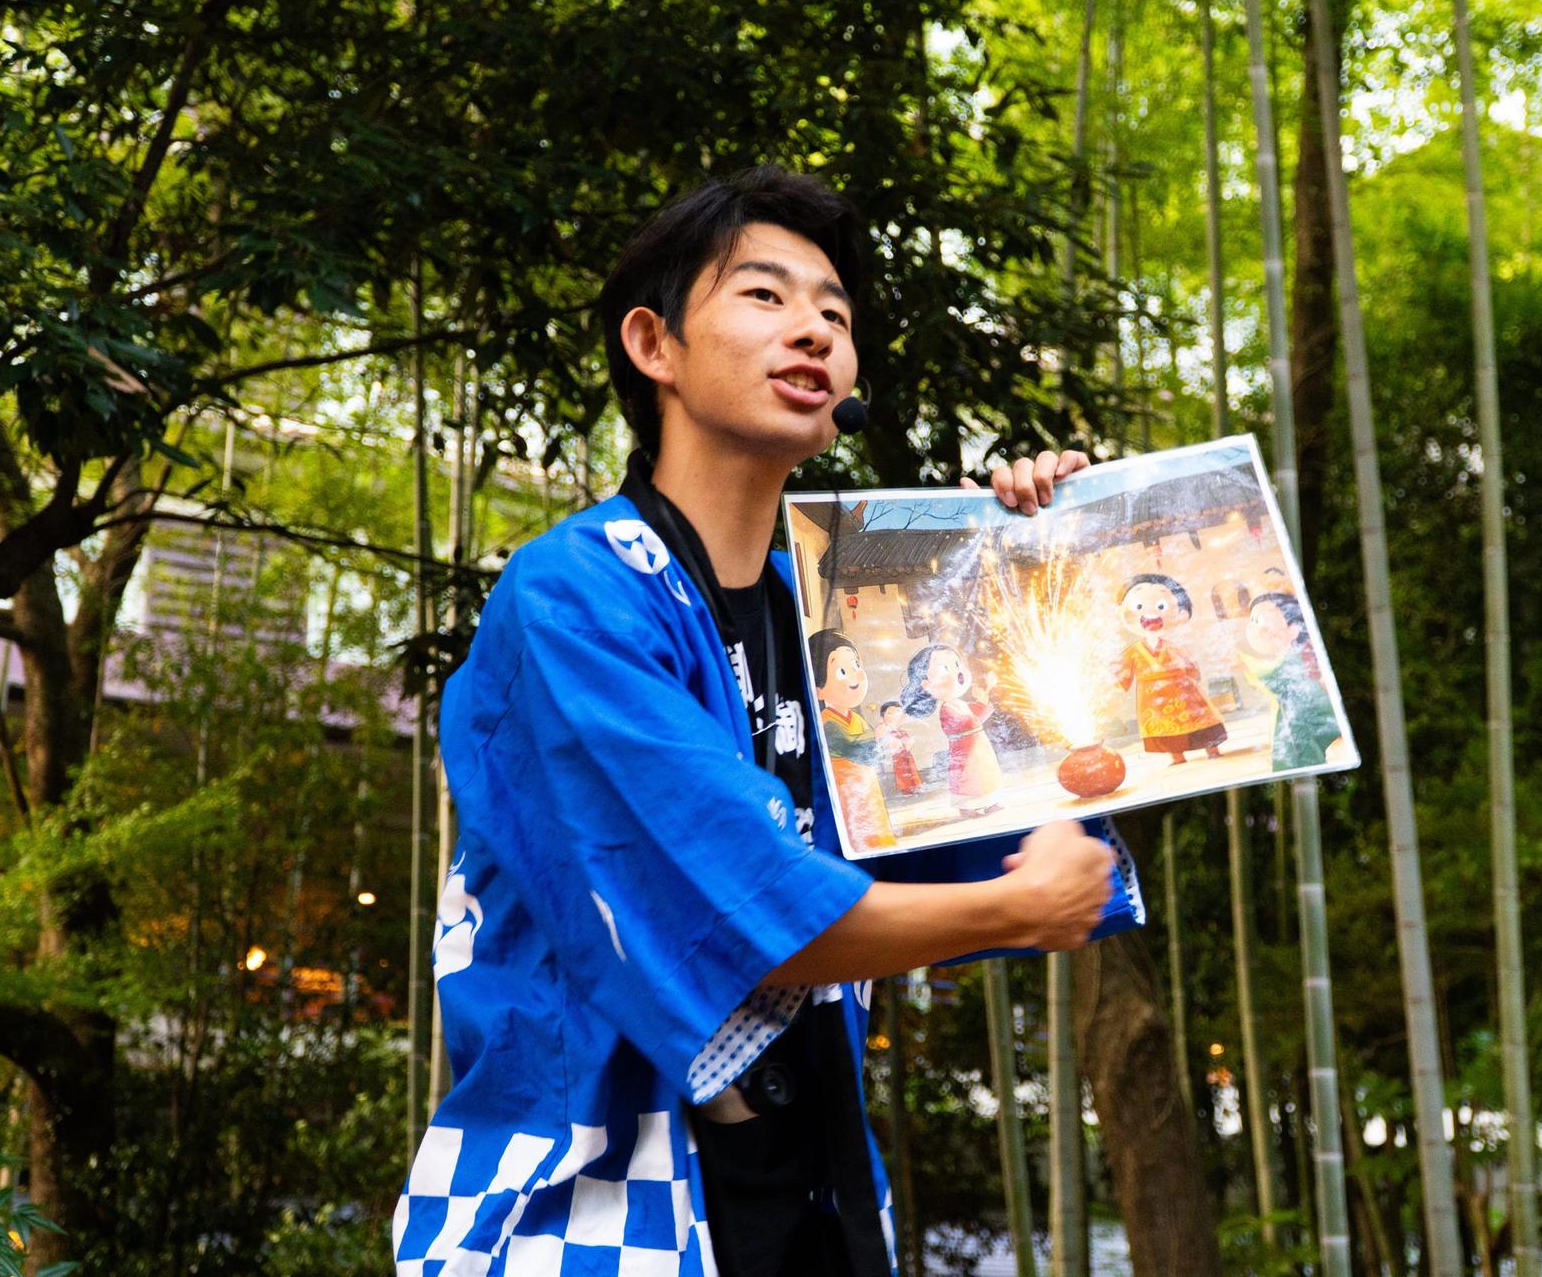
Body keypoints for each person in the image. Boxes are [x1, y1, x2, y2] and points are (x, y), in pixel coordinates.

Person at [393, 165, 1144, 1277]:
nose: (813, 330)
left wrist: (1037, 567)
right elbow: (754, 911)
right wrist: (1015, 908)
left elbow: (1012, 793)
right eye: (764, 295)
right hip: (584, 1192)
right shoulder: (576, 595)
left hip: (814, 1179)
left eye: (834, 312)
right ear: (652, 345)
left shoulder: (845, 608)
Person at [1113, 572, 1228, 765]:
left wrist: (1191, 674)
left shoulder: (1174, 646)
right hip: (1152, 696)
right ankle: (1177, 755)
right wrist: (1115, 681)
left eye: (1161, 606)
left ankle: (1212, 748)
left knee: (1198, 719)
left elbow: (1189, 663)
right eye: (1139, 606)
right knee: (1164, 726)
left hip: (1181, 689)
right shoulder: (1133, 651)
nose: (1151, 615)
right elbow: (1122, 670)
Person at [810, 628, 898, 852]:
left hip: (867, 785)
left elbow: (870, 747)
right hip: (848, 791)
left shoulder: (856, 718)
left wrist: (884, 741)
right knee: (859, 834)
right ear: (818, 689)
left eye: (856, 666)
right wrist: (879, 740)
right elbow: (854, 749)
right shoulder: (827, 722)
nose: (855, 677)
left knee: (876, 826)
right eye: (842, 671)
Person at [898, 642, 1003, 818]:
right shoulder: (947, 708)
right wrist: (980, 706)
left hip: (979, 745)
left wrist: (984, 698)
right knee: (969, 778)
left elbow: (976, 716)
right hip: (965, 751)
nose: (957, 672)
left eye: (956, 664)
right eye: (944, 669)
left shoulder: (960, 703)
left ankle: (991, 802)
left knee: (986, 772)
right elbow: (966, 723)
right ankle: (967, 807)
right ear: (927, 685)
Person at [1243, 590, 1343, 772]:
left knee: (1300, 752)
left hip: (1303, 725)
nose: (1258, 629)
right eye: (1253, 621)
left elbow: (1273, 678)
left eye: (1262, 620)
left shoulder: (1293, 661)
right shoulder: (1288, 659)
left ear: (1294, 629)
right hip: (1295, 725)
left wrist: (1243, 661)